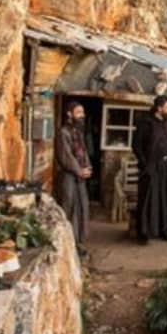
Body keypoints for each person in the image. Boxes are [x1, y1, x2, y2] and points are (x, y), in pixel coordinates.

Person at [131, 95, 167, 243]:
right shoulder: (146, 123)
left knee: (165, 197)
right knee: (148, 199)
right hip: (151, 166)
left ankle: (164, 229)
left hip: (166, 166)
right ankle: (143, 233)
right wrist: (145, 164)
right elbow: (136, 146)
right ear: (159, 108)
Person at [55, 101, 92, 246]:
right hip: (68, 177)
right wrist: (79, 170)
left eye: (83, 112)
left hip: (80, 177)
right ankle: (68, 244)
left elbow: (83, 152)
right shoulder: (62, 132)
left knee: (82, 207)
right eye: (78, 112)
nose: (82, 115)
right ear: (69, 114)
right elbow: (66, 156)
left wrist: (87, 167)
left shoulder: (78, 132)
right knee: (69, 208)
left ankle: (79, 243)